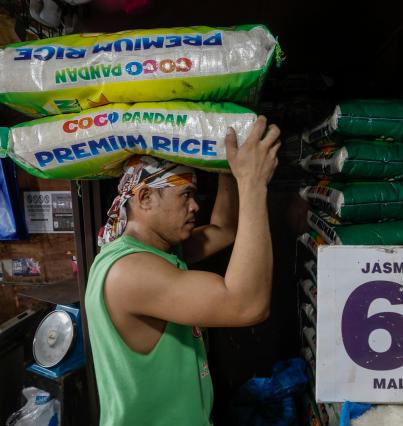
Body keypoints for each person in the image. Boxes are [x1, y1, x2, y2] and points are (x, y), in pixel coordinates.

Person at [84, 116, 281, 425]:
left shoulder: (156, 251)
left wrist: (226, 166)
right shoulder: (131, 272)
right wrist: (253, 183)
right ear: (146, 198)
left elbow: (224, 229)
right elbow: (247, 305)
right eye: (186, 195)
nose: (195, 206)